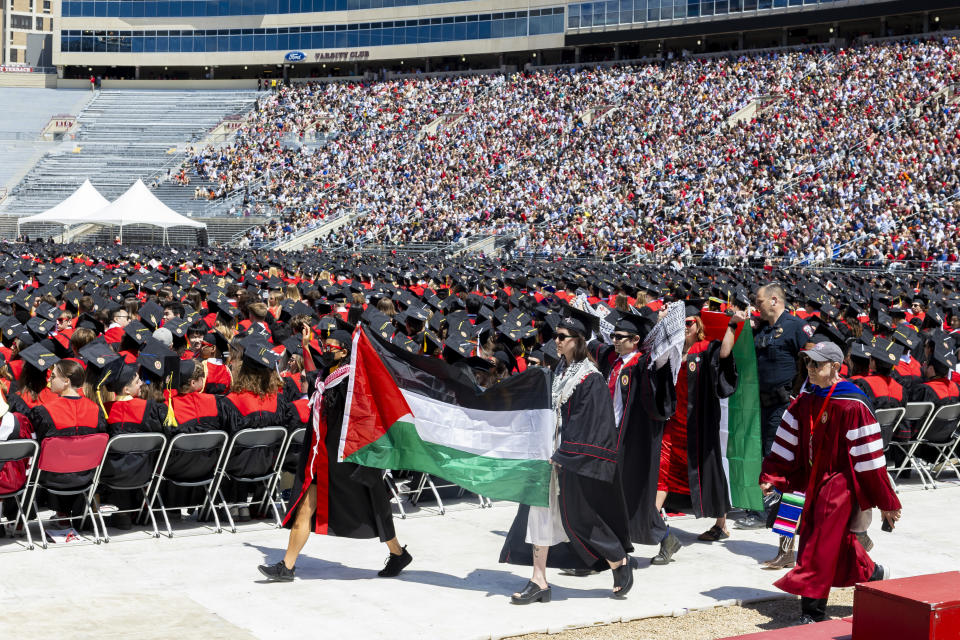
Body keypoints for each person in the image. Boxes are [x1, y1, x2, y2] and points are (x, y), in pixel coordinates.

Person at [759, 341, 901, 624]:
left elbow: (870, 459)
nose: (810, 368)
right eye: (808, 363)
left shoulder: (853, 402)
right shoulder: (807, 399)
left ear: (836, 367)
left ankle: (812, 613)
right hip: (808, 478)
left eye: (817, 364)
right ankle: (872, 573)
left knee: (816, 542)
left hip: (839, 482)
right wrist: (772, 476)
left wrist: (886, 502)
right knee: (834, 542)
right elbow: (788, 439)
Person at [500, 311, 634, 603]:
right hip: (547, 455)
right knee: (539, 514)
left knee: (580, 517)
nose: (556, 341)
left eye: (562, 337)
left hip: (571, 459)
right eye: (555, 336)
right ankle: (539, 581)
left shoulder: (590, 378)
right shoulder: (559, 369)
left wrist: (564, 454)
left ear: (578, 340)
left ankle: (617, 559)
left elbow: (592, 423)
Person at [258, 329, 411, 582]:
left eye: (332, 347)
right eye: (325, 346)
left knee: (374, 505)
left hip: (349, 457)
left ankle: (397, 553)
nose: (327, 351)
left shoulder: (352, 379)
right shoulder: (325, 375)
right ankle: (287, 566)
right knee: (304, 508)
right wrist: (306, 348)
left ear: (345, 351)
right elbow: (312, 377)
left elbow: (365, 414)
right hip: (322, 456)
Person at [589, 310, 680, 565]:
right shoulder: (612, 360)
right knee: (608, 492)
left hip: (633, 439)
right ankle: (607, 549)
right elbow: (592, 340)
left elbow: (664, 359)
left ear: (636, 340)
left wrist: (665, 323)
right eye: (614, 336)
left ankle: (664, 537)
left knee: (632, 493)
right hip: (609, 434)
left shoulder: (644, 364)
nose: (614, 340)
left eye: (621, 337)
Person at [658, 305, 741, 545]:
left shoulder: (704, 348)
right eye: (681, 323)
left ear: (698, 326)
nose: (685, 327)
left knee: (709, 469)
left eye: (689, 323)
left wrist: (732, 325)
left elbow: (724, 353)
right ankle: (654, 517)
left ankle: (721, 524)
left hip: (699, 422)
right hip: (674, 420)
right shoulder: (672, 350)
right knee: (664, 466)